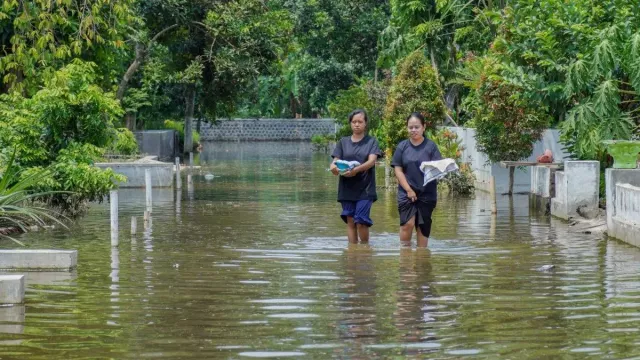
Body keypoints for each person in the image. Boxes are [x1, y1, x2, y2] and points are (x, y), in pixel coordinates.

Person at [330, 109, 382, 243]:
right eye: (354, 122)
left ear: (365, 124)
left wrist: (356, 170)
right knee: (351, 220)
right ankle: (352, 253)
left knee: (361, 221)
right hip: (347, 187)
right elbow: (335, 160)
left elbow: (371, 161)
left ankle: (365, 250)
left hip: (365, 188)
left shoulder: (371, 142)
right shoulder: (343, 142)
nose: (357, 124)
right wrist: (333, 167)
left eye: (360, 121)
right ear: (350, 124)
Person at [391, 112, 442, 247]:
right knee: (407, 224)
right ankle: (405, 256)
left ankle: (422, 259)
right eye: (410, 127)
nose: (413, 130)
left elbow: (439, 166)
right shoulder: (402, 146)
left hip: (427, 193)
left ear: (424, 127)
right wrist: (408, 189)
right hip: (406, 192)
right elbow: (398, 169)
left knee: (423, 226)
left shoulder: (431, 146)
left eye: (417, 127)